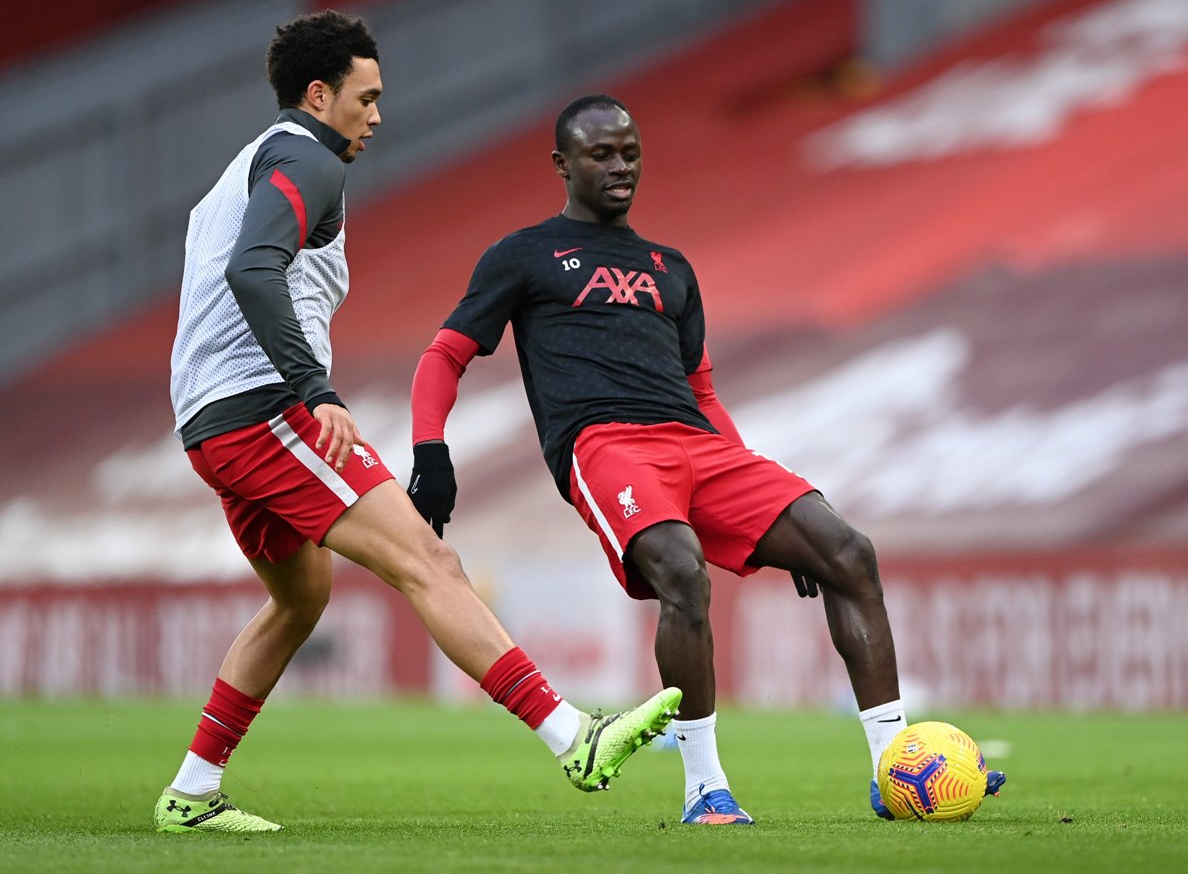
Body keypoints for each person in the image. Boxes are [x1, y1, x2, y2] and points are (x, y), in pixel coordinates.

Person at [407, 93, 1006, 825]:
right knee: (682, 571)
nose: (621, 166)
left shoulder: (671, 267)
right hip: (605, 445)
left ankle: (892, 767)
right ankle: (704, 787)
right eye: (601, 154)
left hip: (699, 445)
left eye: (630, 152)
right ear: (562, 164)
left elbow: (702, 390)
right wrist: (430, 448)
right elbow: (445, 355)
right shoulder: (523, 254)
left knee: (847, 551)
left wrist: (770, 513)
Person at [159, 21, 680, 834]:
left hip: (208, 418)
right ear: (319, 95)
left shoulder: (249, 164)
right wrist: (314, 389)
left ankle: (191, 791)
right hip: (266, 407)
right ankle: (573, 736)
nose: (376, 115)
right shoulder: (310, 159)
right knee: (428, 560)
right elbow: (252, 267)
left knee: (300, 597)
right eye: (365, 98)